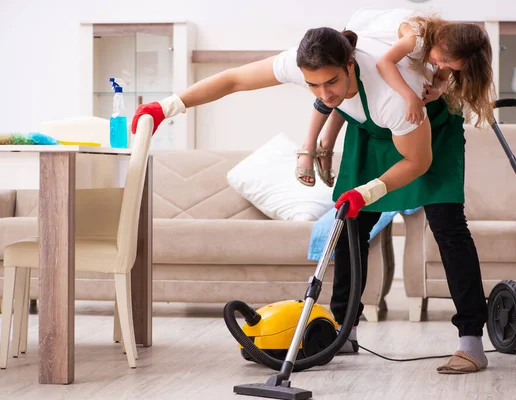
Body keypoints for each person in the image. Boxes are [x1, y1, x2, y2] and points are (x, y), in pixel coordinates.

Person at [131, 8, 494, 374]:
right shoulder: (304, 62)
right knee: (350, 228)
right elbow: (234, 80)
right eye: (313, 86)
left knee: (447, 227)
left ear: (351, 65)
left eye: (331, 83)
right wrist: (167, 107)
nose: (324, 94)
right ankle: (344, 330)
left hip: (425, 126)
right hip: (371, 132)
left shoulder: (392, 97)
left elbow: (417, 162)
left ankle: (471, 342)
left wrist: (368, 191)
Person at [296, 8, 493, 187]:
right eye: (444, 61)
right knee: (335, 86)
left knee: (349, 97)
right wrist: (410, 97)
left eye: (450, 66)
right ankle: (315, 145)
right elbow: (384, 63)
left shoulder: (446, 54)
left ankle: (325, 145)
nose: (442, 66)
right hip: (363, 29)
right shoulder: (417, 39)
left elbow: (441, 78)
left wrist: (438, 91)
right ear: (443, 43)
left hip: (382, 41)